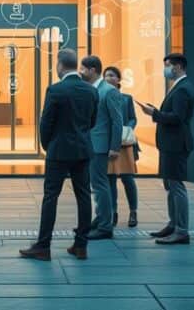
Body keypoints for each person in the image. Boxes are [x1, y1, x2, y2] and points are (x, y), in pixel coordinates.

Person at [19, 49, 98, 261]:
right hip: (82, 150)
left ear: (60, 65)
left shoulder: (55, 90)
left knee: (50, 197)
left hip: (59, 150)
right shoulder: (91, 90)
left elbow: (46, 123)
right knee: (83, 196)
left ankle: (43, 246)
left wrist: (48, 145)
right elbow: (92, 121)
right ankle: (81, 245)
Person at [136, 53, 194, 245]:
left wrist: (155, 113)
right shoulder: (179, 87)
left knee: (176, 186)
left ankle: (181, 230)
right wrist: (157, 112)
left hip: (176, 144)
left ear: (177, 67)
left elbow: (177, 118)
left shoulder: (183, 89)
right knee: (170, 185)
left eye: (168, 66)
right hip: (171, 144)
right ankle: (173, 224)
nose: (166, 70)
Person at [80, 55, 124, 240]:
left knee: (100, 185)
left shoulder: (108, 91)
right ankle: (100, 219)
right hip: (91, 144)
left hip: (101, 146)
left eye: (83, 69)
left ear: (92, 70)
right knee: (96, 185)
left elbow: (117, 121)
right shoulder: (91, 89)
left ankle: (105, 226)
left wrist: (114, 146)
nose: (80, 72)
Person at [104, 66, 139, 228]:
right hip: (109, 142)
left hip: (125, 143)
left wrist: (127, 129)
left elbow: (133, 118)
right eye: (106, 75)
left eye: (111, 75)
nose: (108, 78)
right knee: (110, 179)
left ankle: (133, 211)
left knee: (127, 179)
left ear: (118, 79)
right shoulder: (101, 95)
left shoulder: (126, 98)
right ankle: (113, 212)